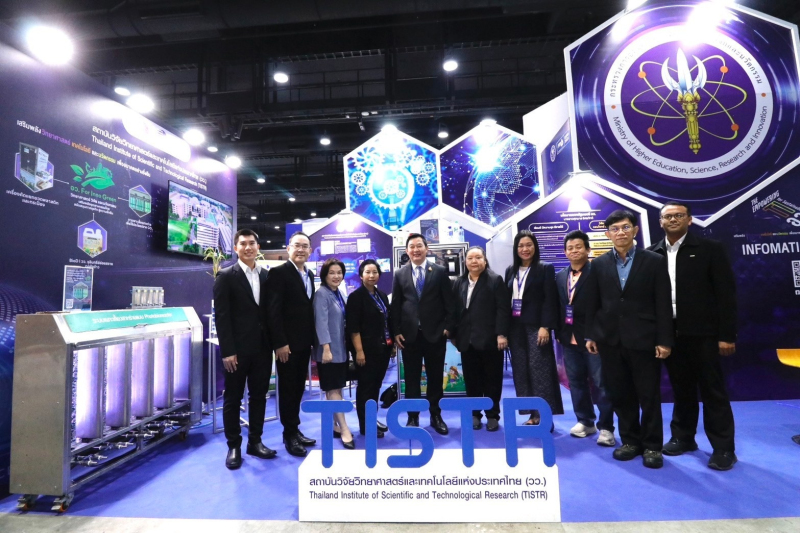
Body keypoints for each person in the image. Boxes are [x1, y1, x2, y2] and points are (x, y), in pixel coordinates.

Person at [648, 201, 738, 470]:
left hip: (705, 334)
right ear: (660, 222)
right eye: (667, 216)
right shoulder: (651, 253)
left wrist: (727, 335)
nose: (673, 219)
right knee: (681, 389)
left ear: (689, 220)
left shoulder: (711, 249)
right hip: (670, 334)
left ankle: (723, 448)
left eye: (679, 215)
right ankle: (683, 437)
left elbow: (726, 295)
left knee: (713, 391)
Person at [584, 209, 673, 469]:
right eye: (614, 229)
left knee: (649, 395)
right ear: (607, 234)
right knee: (621, 395)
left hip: (645, 339)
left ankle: (653, 446)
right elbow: (593, 303)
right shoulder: (598, 264)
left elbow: (663, 303)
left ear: (635, 230)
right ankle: (631, 441)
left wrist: (664, 340)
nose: (620, 233)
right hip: (611, 341)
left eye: (625, 227)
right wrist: (591, 334)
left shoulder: (654, 261)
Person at [213, 229, 277, 469]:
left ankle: (255, 442)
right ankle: (234, 446)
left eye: (252, 243)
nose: (248, 247)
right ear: (236, 248)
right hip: (237, 352)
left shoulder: (266, 276)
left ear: (258, 247)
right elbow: (222, 317)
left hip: (263, 349)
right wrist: (227, 351)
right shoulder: (226, 276)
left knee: (259, 396)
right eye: (243, 244)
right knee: (233, 398)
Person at [391, 233, 457, 434]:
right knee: (411, 378)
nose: (416, 250)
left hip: (435, 334)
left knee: (435, 377)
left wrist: (448, 328)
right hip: (409, 336)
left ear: (427, 248)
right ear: (407, 250)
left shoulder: (439, 271)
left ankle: (436, 415)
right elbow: (396, 305)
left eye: (419, 246)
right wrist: (395, 331)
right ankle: (413, 416)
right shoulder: (400, 273)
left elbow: (449, 303)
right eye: (412, 246)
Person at [555, 230, 616, 447]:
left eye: (578, 247)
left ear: (588, 249)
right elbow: (558, 307)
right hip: (568, 339)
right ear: (565, 252)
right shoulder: (560, 276)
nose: (574, 251)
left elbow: (604, 307)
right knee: (576, 382)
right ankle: (585, 421)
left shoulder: (598, 273)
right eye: (570, 248)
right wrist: (559, 333)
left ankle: (606, 427)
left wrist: (595, 335)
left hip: (593, 340)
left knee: (601, 384)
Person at [265, 231, 318, 457]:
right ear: (288, 249)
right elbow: (273, 312)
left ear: (310, 250)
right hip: (286, 346)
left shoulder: (309, 274)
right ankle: (288, 435)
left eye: (305, 246)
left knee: (298, 389)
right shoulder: (278, 273)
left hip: (304, 343)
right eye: (297, 245)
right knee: (287, 390)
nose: (301, 250)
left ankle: (295, 429)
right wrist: (280, 343)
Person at [504, 230, 563, 428]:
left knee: (540, 371)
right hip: (515, 328)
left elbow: (549, 300)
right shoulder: (511, 270)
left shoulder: (545, 268)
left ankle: (545, 416)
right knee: (521, 372)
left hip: (536, 327)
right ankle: (531, 414)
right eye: (521, 246)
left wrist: (545, 326)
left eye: (529, 245)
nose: (525, 249)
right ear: (516, 249)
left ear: (535, 247)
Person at [451, 246, 510, 431]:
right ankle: (474, 413)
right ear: (465, 261)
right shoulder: (459, 282)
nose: (474, 261)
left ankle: (492, 415)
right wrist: (453, 335)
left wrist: (501, 334)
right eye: (470, 258)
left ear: (485, 260)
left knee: (492, 380)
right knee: (472, 380)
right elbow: (455, 311)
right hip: (467, 341)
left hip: (490, 340)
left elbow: (503, 309)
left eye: (478, 257)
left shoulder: (495, 280)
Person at [346, 259, 395, 438]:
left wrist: (391, 345)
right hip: (365, 351)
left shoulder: (381, 295)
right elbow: (353, 328)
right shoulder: (356, 297)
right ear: (361, 275)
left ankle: (371, 418)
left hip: (382, 349)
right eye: (367, 272)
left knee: (376, 386)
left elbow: (387, 322)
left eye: (375, 272)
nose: (371, 275)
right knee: (366, 388)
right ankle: (365, 425)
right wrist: (359, 351)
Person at [313, 258, 355, 450]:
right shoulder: (322, 294)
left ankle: (335, 425)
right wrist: (326, 348)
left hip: (340, 350)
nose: (336, 276)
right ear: (324, 275)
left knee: (337, 389)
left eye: (339, 273)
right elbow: (320, 323)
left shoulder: (339, 293)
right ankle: (345, 429)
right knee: (333, 390)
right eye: (332, 273)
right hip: (328, 351)